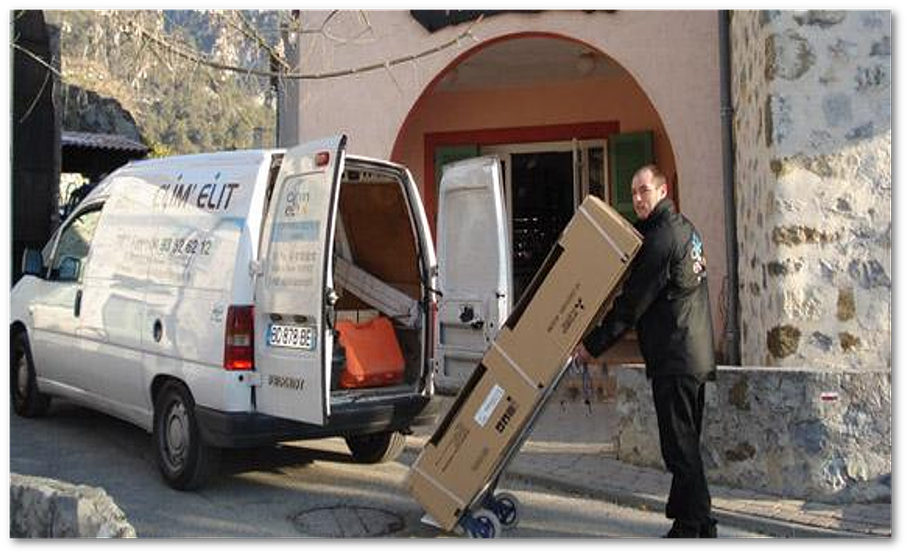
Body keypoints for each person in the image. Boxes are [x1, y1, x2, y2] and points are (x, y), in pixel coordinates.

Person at [573, 164, 718, 538]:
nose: (637, 198)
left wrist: (592, 346)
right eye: (634, 192)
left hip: (676, 358)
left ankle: (695, 527)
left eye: (644, 191)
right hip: (693, 354)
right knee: (685, 447)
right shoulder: (685, 230)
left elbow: (630, 306)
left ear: (663, 190)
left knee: (680, 450)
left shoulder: (661, 239)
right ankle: (695, 525)